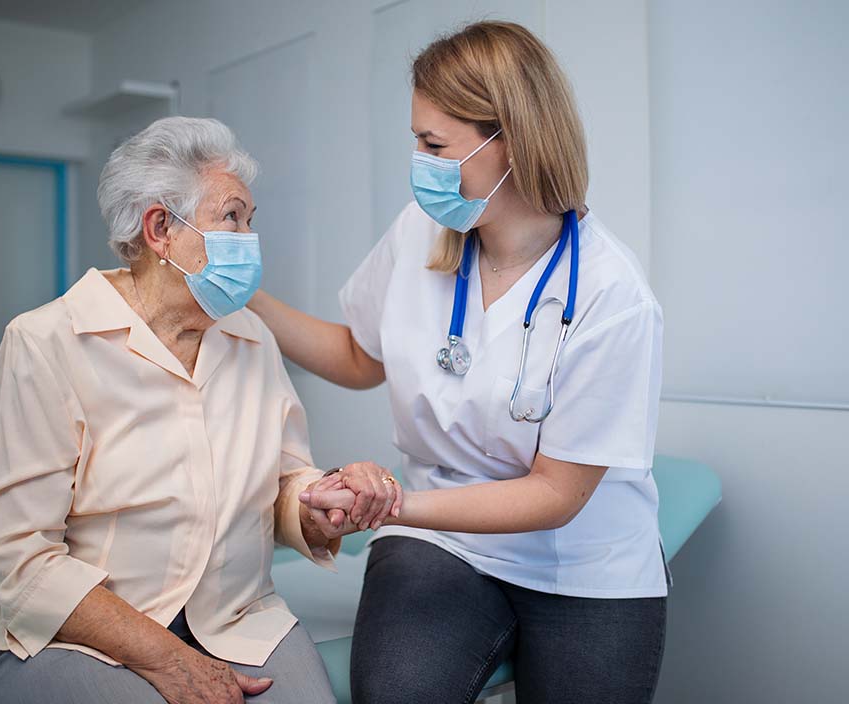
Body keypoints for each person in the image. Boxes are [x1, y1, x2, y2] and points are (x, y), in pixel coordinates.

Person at [248, 20, 668, 704]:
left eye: (433, 143)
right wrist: (249, 303)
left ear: (511, 140)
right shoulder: (422, 232)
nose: (419, 161)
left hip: (583, 563)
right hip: (442, 543)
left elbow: (555, 494)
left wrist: (394, 503)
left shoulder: (611, 296)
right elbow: (359, 356)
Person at [0, 117, 398, 704]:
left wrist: (325, 505)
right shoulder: (46, 342)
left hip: (234, 617)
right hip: (78, 631)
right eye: (232, 218)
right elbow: (18, 554)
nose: (249, 238)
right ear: (161, 228)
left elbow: (286, 480)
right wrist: (169, 658)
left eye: (250, 221)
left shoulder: (251, 337)